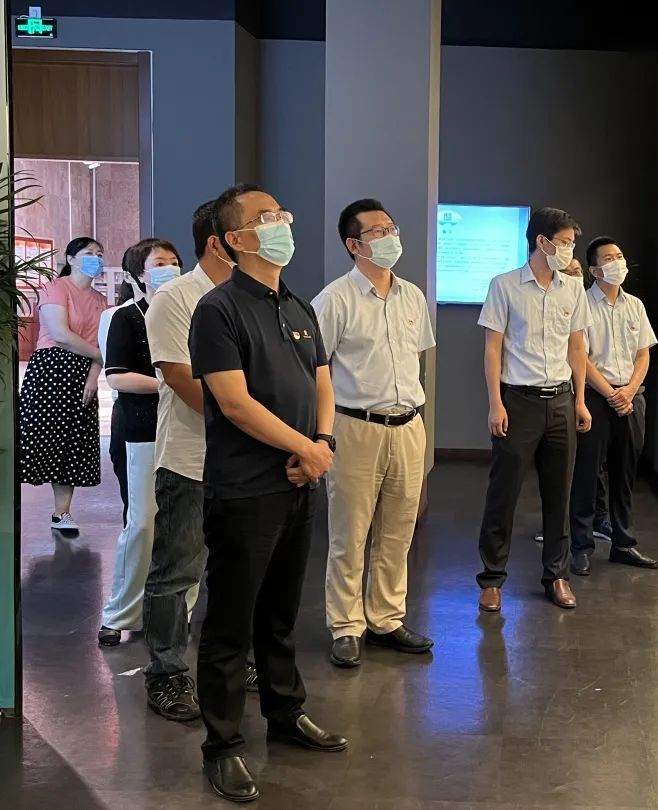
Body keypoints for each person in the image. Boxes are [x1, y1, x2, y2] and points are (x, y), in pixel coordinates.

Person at [190, 184, 345, 803]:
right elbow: (233, 402)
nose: (282, 221)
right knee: (230, 622)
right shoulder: (218, 310)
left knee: (281, 614)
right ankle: (222, 746)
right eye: (265, 217)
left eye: (282, 213)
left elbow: (323, 382)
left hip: (299, 482)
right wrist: (307, 449)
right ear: (234, 239)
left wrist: (321, 444)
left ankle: (285, 712)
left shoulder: (298, 306)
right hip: (246, 490)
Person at [314, 199, 436, 668]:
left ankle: (386, 618)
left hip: (408, 425)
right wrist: (321, 435)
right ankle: (346, 625)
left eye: (392, 227)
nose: (391, 237)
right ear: (354, 245)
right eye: (378, 231)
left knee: (399, 530)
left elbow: (416, 360)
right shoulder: (334, 299)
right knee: (350, 532)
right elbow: (315, 371)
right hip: (355, 427)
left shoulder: (412, 296)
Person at [142, 202, 248, 721]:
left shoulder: (252, 296)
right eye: (256, 227)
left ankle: (230, 661)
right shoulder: (176, 297)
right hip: (191, 459)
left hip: (247, 461)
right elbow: (182, 379)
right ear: (218, 241)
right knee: (177, 571)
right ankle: (165, 673)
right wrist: (247, 418)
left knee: (237, 569)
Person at [476, 207, 592, 612]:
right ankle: (492, 578)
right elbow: (493, 348)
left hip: (560, 399)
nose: (569, 249)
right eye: (564, 242)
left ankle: (557, 575)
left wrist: (580, 399)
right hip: (518, 401)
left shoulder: (572, 289)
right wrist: (495, 403)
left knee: (560, 493)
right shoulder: (504, 285)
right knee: (503, 492)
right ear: (541, 242)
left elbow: (576, 346)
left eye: (572, 243)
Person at [98, 239, 186, 647]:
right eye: (159, 263)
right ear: (138, 274)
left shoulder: (191, 312)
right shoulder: (128, 317)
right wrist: (172, 384)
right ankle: (121, 613)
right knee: (143, 523)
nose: (169, 268)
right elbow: (117, 376)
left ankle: (178, 610)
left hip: (186, 429)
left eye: (174, 261)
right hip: (141, 431)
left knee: (185, 526)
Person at [568, 237, 658, 576]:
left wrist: (630, 391)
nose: (618, 262)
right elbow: (580, 357)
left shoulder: (635, 305)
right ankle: (581, 547)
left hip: (631, 398)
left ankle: (623, 543)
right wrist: (611, 394)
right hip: (595, 397)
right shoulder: (581, 304)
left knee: (625, 473)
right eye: (609, 258)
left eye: (619, 256)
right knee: (587, 473)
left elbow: (643, 354)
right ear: (594, 270)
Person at [20, 237, 108, 531]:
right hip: (51, 370)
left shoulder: (100, 300)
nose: (95, 258)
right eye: (89, 253)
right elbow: (60, 334)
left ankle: (62, 513)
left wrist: (93, 376)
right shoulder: (56, 288)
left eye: (99, 254)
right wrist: (99, 355)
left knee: (72, 442)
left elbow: (102, 343)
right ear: (70, 259)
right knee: (42, 437)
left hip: (83, 373)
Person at [531, 256, 610, 545]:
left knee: (591, 466)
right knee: (558, 469)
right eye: (569, 271)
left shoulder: (588, 304)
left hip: (588, 395)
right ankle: (558, 526)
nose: (575, 276)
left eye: (578, 271)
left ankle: (593, 521)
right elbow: (576, 353)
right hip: (561, 393)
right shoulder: (548, 303)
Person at [99, 282, 136, 526]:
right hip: (129, 406)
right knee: (132, 489)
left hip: (170, 407)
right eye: (160, 264)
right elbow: (113, 369)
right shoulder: (117, 315)